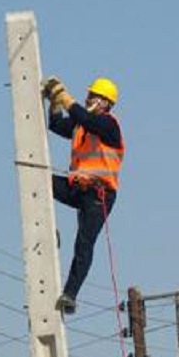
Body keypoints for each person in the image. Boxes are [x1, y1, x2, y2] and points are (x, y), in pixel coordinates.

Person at [41, 76, 125, 314]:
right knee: (40, 183)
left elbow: (86, 119)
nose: (88, 99)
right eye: (88, 95)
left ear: (106, 103)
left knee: (84, 243)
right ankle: (46, 229)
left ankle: (70, 295)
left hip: (100, 196)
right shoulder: (82, 126)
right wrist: (54, 104)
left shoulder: (109, 125)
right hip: (79, 188)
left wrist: (65, 98)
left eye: (93, 96)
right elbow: (58, 126)